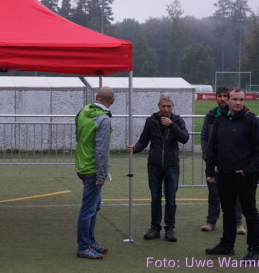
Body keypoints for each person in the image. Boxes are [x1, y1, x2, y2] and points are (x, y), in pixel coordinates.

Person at [205, 88, 259, 261]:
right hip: (224, 175)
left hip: (245, 176)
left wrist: (249, 170)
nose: (238, 103)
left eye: (241, 99)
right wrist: (210, 170)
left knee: (249, 213)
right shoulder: (220, 120)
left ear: (244, 100)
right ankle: (227, 246)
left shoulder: (251, 120)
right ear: (227, 100)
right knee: (227, 211)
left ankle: (255, 249)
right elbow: (212, 147)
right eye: (234, 99)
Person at [126, 93, 189, 242]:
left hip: (172, 165)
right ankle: (155, 227)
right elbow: (144, 141)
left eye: (168, 106)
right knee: (155, 198)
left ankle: (170, 229)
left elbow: (185, 139)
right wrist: (134, 148)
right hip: (154, 165)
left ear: (172, 107)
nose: (166, 109)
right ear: (158, 106)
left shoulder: (178, 121)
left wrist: (171, 125)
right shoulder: (151, 121)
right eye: (163, 106)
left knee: (171, 199)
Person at [75, 86, 115, 260]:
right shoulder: (104, 119)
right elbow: (101, 149)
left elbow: (79, 138)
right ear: (112, 101)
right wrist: (101, 175)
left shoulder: (82, 113)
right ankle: (84, 246)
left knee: (94, 207)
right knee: (88, 210)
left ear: (96, 97)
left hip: (82, 165)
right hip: (93, 168)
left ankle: (90, 241)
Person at [200, 86, 246, 234]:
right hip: (214, 162)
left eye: (225, 96)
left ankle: (238, 224)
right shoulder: (212, 115)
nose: (222, 99)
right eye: (219, 96)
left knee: (236, 195)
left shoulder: (241, 116)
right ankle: (211, 221)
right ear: (216, 97)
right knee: (213, 193)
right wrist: (207, 156)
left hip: (234, 163)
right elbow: (204, 137)